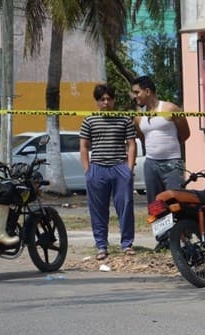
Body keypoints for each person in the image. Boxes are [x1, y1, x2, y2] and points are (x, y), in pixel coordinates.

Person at [79, 84, 137, 260]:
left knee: (125, 205)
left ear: (114, 100)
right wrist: (87, 170)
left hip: (120, 167)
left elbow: (131, 144)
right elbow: (83, 146)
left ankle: (127, 244)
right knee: (98, 209)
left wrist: (129, 168)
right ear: (97, 102)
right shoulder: (89, 120)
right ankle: (101, 246)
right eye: (102, 99)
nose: (106, 102)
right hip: (97, 168)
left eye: (108, 98)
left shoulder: (124, 119)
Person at [131, 75, 191, 205]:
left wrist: (169, 148)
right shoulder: (138, 117)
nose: (135, 96)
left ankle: (180, 226)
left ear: (147, 91)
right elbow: (143, 139)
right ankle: (157, 226)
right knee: (155, 205)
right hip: (151, 164)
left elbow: (185, 134)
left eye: (137, 92)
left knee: (177, 203)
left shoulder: (170, 108)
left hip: (172, 164)